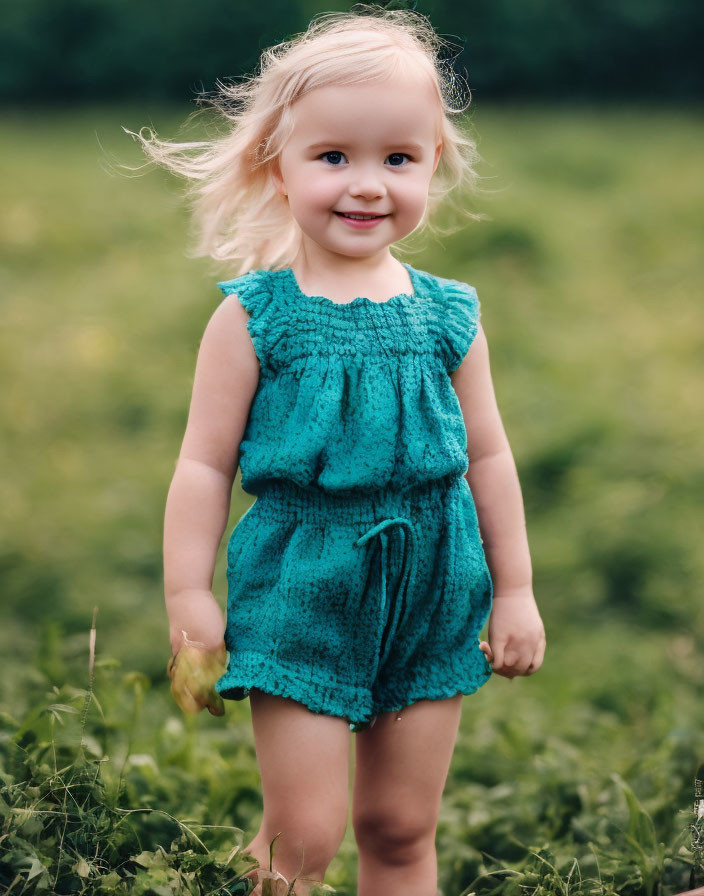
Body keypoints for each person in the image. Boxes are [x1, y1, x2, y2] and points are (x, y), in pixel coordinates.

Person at [126, 6, 546, 894]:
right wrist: (187, 593)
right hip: (301, 586)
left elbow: (490, 458)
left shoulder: (450, 314)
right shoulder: (252, 317)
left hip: (435, 579)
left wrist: (515, 590)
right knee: (303, 841)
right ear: (276, 168)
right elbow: (201, 465)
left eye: (397, 157)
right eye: (333, 158)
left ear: (434, 161)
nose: (366, 185)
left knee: (401, 827)